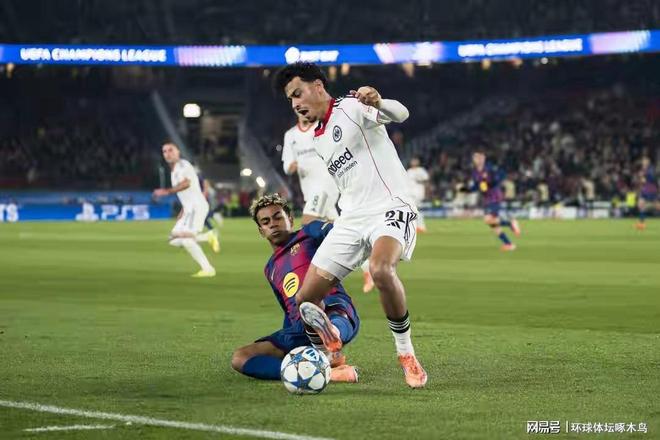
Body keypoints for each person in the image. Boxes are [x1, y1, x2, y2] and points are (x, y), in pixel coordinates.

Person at [273, 61, 427, 388]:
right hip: (351, 218)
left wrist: (379, 101)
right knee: (305, 300)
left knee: (381, 269)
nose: (295, 103)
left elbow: (401, 114)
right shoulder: (318, 139)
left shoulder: (352, 106)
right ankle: (332, 360)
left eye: (298, 93)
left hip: (389, 206)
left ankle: (406, 354)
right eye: (290, 99)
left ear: (318, 86)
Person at [231, 194, 359, 383]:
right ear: (261, 231)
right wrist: (289, 344)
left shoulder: (308, 233)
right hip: (300, 327)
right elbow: (288, 311)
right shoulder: (270, 269)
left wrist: (338, 228)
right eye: (266, 222)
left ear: (290, 219)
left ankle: (332, 335)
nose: (273, 224)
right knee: (240, 358)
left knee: (319, 309)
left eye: (278, 217)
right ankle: (329, 371)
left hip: (332, 305)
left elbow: (335, 232)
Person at [283, 113, 375, 293]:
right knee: (342, 230)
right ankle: (368, 267)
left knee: (307, 225)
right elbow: (287, 164)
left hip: (326, 185)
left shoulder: (323, 128)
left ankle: (308, 276)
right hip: (309, 191)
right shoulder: (291, 135)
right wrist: (291, 166)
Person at [153, 142, 219, 277]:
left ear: (178, 152)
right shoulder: (174, 171)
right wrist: (182, 211)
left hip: (196, 207)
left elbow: (186, 183)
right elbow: (186, 193)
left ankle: (208, 269)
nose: (167, 153)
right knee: (173, 239)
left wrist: (166, 191)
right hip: (189, 208)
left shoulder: (183, 165)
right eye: (165, 151)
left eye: (170, 150)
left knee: (187, 240)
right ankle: (207, 237)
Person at [471, 150, 521, 251]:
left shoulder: (489, 168)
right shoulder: (475, 172)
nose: (477, 159)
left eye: (479, 157)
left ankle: (510, 223)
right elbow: (478, 185)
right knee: (493, 224)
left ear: (483, 158)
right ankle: (509, 244)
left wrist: (491, 182)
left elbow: (500, 176)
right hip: (487, 198)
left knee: (488, 219)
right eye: (475, 157)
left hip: (494, 196)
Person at [407, 157, 430, 233]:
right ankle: (419, 227)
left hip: (418, 192)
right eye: (413, 161)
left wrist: (419, 181)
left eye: (415, 161)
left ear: (418, 162)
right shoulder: (409, 171)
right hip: (410, 192)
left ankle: (420, 227)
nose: (414, 162)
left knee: (414, 209)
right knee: (414, 209)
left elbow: (426, 180)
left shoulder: (421, 170)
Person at [635, 156, 657, 230]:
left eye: (645, 161)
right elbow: (642, 180)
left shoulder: (650, 169)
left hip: (650, 189)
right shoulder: (643, 169)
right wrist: (642, 178)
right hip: (645, 189)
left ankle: (641, 223)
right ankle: (641, 223)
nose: (643, 162)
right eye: (643, 161)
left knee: (656, 205)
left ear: (648, 162)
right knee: (640, 204)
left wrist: (644, 177)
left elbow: (652, 179)